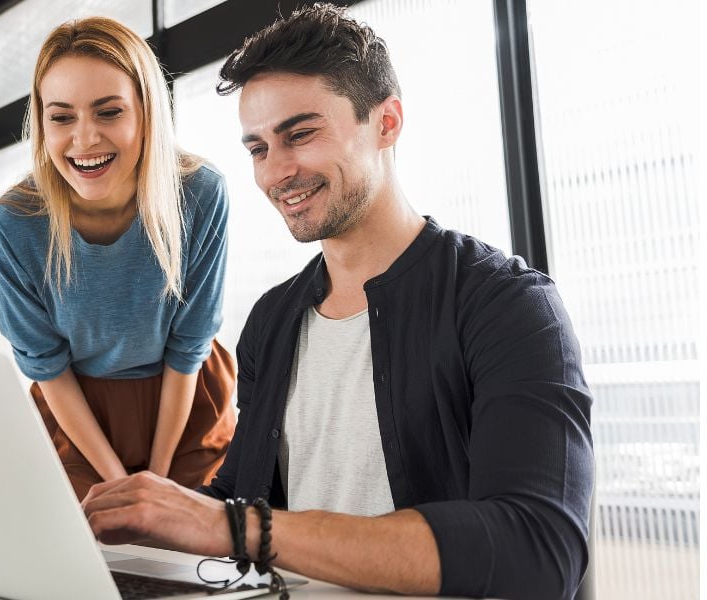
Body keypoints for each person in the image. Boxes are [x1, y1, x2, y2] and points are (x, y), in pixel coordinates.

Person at [80, 4, 594, 599]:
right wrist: (139, 522)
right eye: (258, 149)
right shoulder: (273, 319)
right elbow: (238, 503)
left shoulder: (507, 306)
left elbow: (537, 549)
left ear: (386, 123)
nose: (276, 172)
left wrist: (234, 526)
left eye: (300, 135)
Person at [0, 17, 235, 501]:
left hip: (185, 401)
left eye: (109, 112)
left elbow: (189, 347)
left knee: (192, 533)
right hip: (78, 414)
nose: (84, 139)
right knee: (91, 538)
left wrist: (157, 482)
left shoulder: (201, 194)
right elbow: (47, 366)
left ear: (146, 112)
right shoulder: (11, 224)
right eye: (61, 118)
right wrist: (121, 483)